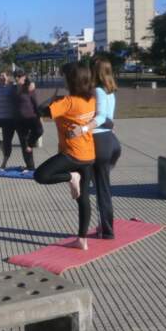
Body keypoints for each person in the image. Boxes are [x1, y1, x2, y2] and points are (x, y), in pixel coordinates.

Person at [33, 63, 96, 250]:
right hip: (88, 155)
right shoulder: (90, 100)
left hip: (71, 155)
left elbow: (39, 112)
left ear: (71, 80)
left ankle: (71, 176)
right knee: (83, 198)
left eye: (65, 77)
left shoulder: (67, 102)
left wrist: (51, 99)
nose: (63, 80)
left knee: (40, 176)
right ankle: (82, 239)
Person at [70, 57, 121, 239]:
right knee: (103, 188)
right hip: (110, 141)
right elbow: (110, 119)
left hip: (99, 142)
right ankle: (105, 228)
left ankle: (106, 231)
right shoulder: (110, 92)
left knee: (98, 189)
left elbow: (100, 118)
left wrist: (81, 129)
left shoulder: (98, 91)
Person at [12, 69, 43, 172]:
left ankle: (30, 144)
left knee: (39, 131)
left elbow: (35, 101)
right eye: (15, 76)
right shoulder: (14, 87)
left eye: (19, 76)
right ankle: (30, 167)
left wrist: (39, 115)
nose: (17, 78)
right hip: (19, 120)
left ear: (24, 76)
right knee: (23, 144)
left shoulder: (30, 87)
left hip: (31, 117)